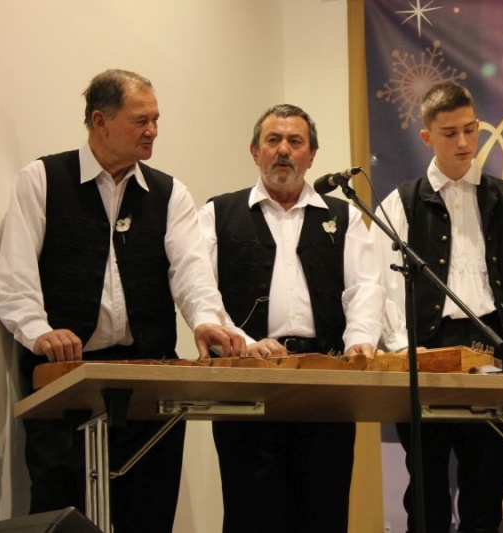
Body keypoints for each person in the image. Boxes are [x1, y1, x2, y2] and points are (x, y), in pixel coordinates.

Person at [0, 69, 247, 532]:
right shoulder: (42, 179)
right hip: (63, 382)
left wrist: (207, 321)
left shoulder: (170, 193)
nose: (153, 131)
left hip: (146, 385)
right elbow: (15, 281)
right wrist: (39, 332)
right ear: (100, 121)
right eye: (141, 120)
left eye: (156, 119)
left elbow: (192, 274)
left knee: (147, 512)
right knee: (63, 511)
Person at [372, 82, 503, 532]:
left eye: (471, 129)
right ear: (427, 137)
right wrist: (402, 349)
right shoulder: (400, 204)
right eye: (450, 133)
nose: (464, 142)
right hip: (425, 357)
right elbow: (381, 289)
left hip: (492, 350)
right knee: (425, 493)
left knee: (486, 489)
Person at [198, 103, 385, 532]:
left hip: (326, 384)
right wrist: (244, 343)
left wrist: (360, 341)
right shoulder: (217, 213)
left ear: (312, 155)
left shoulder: (344, 216)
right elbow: (202, 292)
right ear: (254, 151)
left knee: (324, 513)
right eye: (273, 140)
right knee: (251, 515)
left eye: (295, 142)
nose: (283, 150)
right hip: (246, 382)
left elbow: (366, 288)